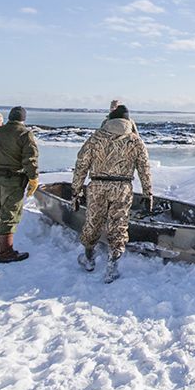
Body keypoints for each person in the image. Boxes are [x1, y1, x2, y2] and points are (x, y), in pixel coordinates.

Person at [72, 104, 152, 283]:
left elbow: (81, 164)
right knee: (118, 226)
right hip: (122, 188)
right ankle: (112, 268)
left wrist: (76, 191)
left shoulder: (96, 138)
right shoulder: (134, 140)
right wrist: (148, 193)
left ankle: (88, 258)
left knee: (93, 222)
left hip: (97, 186)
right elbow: (144, 168)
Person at [0, 106, 39, 263]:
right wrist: (33, 178)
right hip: (12, 181)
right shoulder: (24, 134)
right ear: (23, 119)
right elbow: (30, 159)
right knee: (9, 216)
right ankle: (6, 253)